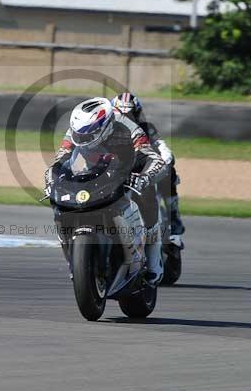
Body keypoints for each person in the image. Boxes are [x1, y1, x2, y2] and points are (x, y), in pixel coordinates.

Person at [44, 97, 166, 285]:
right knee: (61, 203)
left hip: (127, 168)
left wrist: (142, 177)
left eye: (88, 134)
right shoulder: (76, 130)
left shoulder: (128, 127)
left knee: (148, 194)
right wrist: (51, 180)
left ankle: (153, 259)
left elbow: (155, 159)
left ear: (105, 126)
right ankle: (73, 260)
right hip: (93, 169)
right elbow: (59, 161)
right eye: (79, 134)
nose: (81, 138)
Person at [111, 92, 185, 240]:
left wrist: (166, 157)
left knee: (168, 171)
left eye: (130, 114)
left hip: (140, 171)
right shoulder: (107, 128)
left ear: (137, 113)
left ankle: (173, 215)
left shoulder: (146, 128)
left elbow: (161, 145)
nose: (126, 119)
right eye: (122, 114)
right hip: (114, 171)